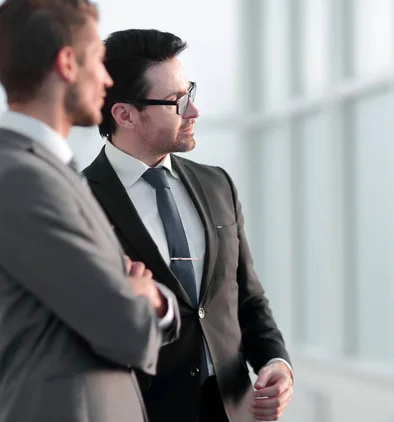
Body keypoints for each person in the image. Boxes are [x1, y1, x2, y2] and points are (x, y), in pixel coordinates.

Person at [83, 29, 293, 422]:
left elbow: (246, 297)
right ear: (124, 114)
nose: (193, 111)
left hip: (235, 409)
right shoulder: (76, 202)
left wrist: (277, 362)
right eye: (177, 102)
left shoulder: (218, 185)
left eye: (190, 93)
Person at [0, 2, 181, 422]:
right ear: (66, 63)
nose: (106, 79)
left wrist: (135, 293)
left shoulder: (46, 171)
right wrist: (148, 295)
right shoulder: (23, 177)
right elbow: (124, 328)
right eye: (98, 62)